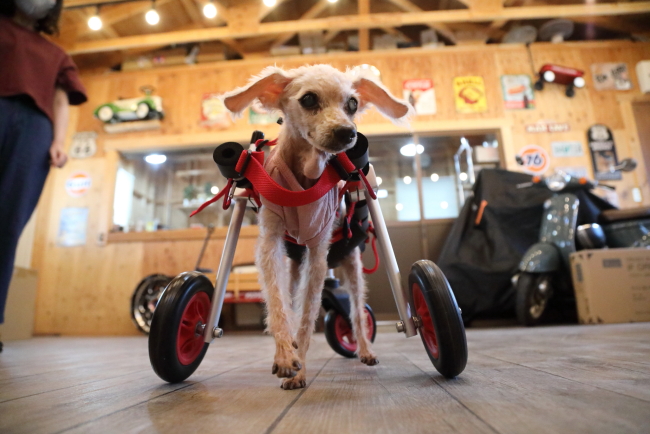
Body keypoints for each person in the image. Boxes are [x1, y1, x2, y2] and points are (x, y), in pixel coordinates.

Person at [0, 0, 87, 351]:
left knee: (8, 224)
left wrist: (58, 140)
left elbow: (61, 99)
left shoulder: (55, 54)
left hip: (34, 130)